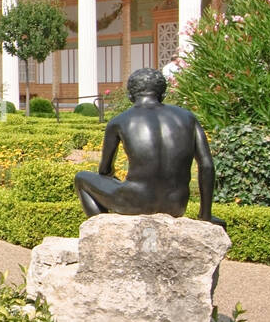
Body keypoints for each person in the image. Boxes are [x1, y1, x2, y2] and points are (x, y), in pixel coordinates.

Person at [74, 68, 225, 227]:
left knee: (81, 178)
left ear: (130, 96)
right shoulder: (188, 118)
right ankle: (205, 215)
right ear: (163, 95)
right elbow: (207, 165)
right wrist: (206, 215)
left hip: (135, 202)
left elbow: (105, 171)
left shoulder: (119, 121)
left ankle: (104, 230)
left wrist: (115, 180)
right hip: (176, 205)